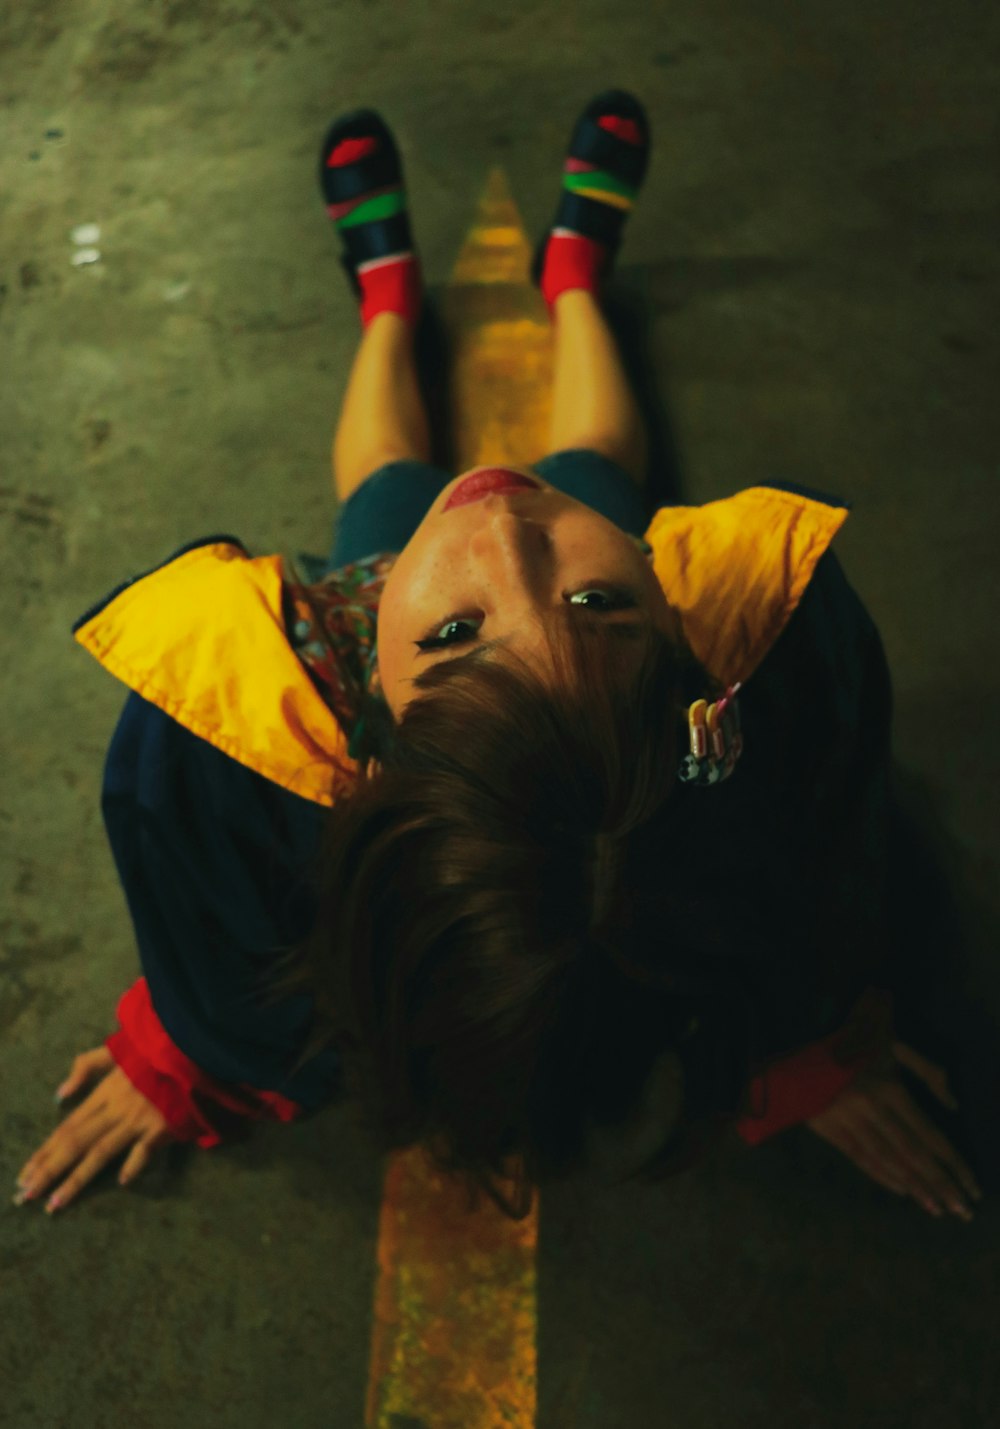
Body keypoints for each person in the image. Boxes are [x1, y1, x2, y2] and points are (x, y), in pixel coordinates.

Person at [14, 91, 984, 1225]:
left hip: (396, 594)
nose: (505, 532)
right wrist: (808, 1036)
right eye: (596, 604)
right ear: (684, 641)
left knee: (382, 473)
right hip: (511, 635)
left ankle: (387, 309)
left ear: (366, 715)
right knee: (595, 459)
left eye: (459, 636)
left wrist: (188, 1046)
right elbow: (808, 856)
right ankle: (574, 284)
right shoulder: (739, 655)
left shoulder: (279, 703)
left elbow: (206, 917)